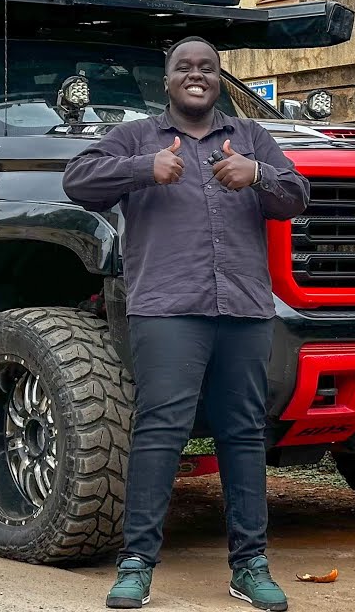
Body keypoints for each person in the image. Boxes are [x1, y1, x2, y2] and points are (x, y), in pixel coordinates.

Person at [63, 37, 310, 610]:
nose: (196, 75)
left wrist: (259, 175)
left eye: (208, 67)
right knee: (160, 431)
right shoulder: (136, 138)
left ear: (220, 78)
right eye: (184, 67)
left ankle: (250, 564)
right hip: (168, 308)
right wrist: (143, 170)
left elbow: (299, 194)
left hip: (245, 309)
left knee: (244, 433)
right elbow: (78, 180)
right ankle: (136, 565)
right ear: (167, 79)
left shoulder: (249, 138)